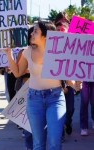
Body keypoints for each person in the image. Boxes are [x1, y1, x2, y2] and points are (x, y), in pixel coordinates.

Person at [6, 21, 79, 149]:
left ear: (45, 36)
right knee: (38, 144)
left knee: (54, 143)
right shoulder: (27, 51)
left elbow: (69, 80)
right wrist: (8, 54)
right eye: (33, 31)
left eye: (35, 31)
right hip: (34, 100)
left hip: (55, 99)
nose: (32, 34)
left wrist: (76, 85)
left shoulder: (59, 51)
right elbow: (17, 73)